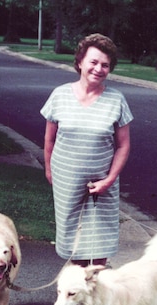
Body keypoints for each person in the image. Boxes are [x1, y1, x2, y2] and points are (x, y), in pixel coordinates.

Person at [41, 33, 133, 267]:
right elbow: (49, 139)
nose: (99, 68)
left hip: (102, 187)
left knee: (98, 247)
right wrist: (49, 171)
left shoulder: (117, 100)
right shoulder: (59, 95)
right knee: (74, 244)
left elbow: (123, 145)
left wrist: (109, 180)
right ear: (80, 62)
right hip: (67, 183)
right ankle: (74, 298)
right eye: (93, 62)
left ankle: (97, 300)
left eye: (105, 65)